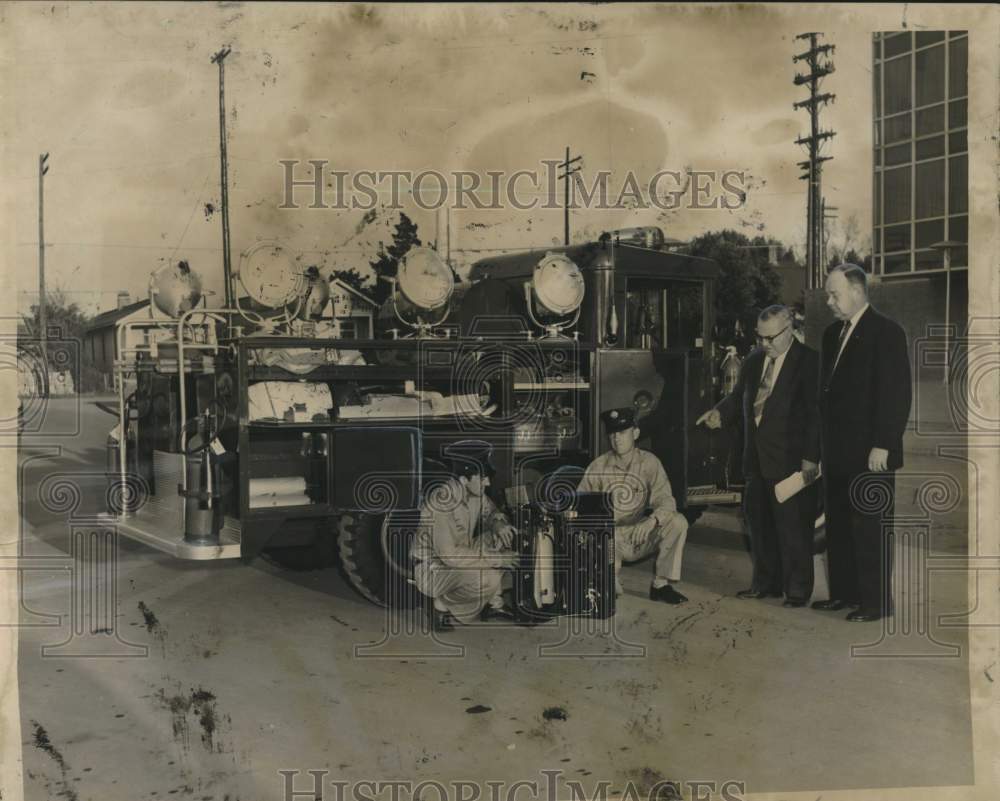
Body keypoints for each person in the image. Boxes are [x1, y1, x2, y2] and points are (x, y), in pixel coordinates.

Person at [697, 305, 820, 607]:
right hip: (755, 460)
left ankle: (797, 591)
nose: (765, 344)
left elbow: (817, 416)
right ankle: (766, 584)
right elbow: (738, 396)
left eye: (770, 338)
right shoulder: (753, 361)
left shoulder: (810, 363)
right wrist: (719, 413)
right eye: (760, 337)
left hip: (791, 461)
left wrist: (810, 460)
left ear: (789, 329)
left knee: (793, 529)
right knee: (759, 526)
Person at [815, 264, 911, 622]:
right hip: (837, 451)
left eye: (834, 294)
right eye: (827, 294)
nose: (828, 301)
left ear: (857, 291)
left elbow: (896, 394)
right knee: (838, 527)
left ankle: (876, 603)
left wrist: (884, 444)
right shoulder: (831, 335)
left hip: (873, 453)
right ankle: (844, 594)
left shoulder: (887, 333)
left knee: (871, 529)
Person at [577, 408, 689, 604]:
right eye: (612, 434)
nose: (616, 439)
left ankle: (660, 585)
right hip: (608, 538)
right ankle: (608, 579)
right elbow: (580, 506)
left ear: (635, 433)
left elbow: (667, 501)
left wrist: (651, 521)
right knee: (609, 596)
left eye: (622, 433)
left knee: (678, 522)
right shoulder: (598, 466)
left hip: (639, 534)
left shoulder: (649, 462)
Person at [410, 441, 519, 631]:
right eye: (483, 478)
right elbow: (449, 555)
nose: (488, 482)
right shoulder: (441, 502)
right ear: (463, 479)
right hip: (433, 566)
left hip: (459, 553)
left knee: (503, 536)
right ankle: (440, 606)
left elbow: (491, 512)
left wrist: (499, 524)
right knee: (487, 578)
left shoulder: (475, 491)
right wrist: (498, 559)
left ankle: (494, 604)